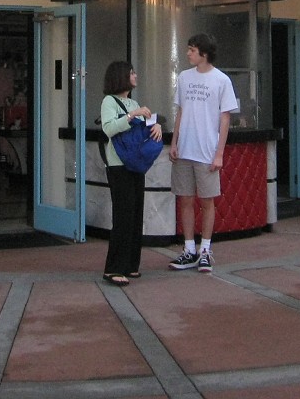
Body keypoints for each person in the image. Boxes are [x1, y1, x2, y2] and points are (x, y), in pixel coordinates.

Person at [168, 33, 238, 273]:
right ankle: (189, 249)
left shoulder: (221, 80)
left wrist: (219, 153)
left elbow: (225, 118)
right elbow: (180, 111)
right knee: (185, 199)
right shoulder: (184, 78)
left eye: (192, 50)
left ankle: (205, 250)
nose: (188, 53)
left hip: (207, 150)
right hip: (185, 148)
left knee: (207, 201)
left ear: (203, 53)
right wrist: (174, 142)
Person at [99, 60, 161, 286]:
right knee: (123, 215)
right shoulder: (109, 102)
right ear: (121, 77)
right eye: (132, 73)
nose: (135, 76)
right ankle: (113, 268)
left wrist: (156, 125)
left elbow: (147, 124)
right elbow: (108, 128)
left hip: (135, 164)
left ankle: (131, 264)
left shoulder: (132, 101)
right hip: (118, 165)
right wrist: (131, 115)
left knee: (135, 214)